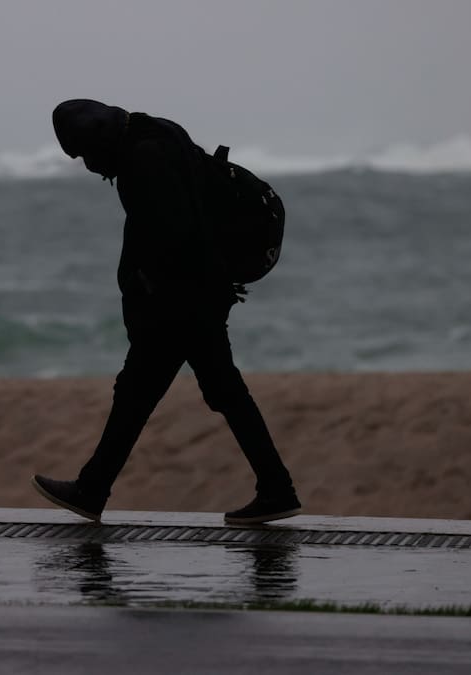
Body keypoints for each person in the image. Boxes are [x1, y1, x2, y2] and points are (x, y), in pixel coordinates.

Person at [32, 99, 301, 525]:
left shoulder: (142, 161)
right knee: (196, 392)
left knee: (149, 393)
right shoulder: (158, 131)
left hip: (183, 301)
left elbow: (169, 236)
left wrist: (146, 293)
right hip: (202, 291)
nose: (88, 166)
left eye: (84, 154)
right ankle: (275, 488)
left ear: (97, 140)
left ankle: (93, 488)